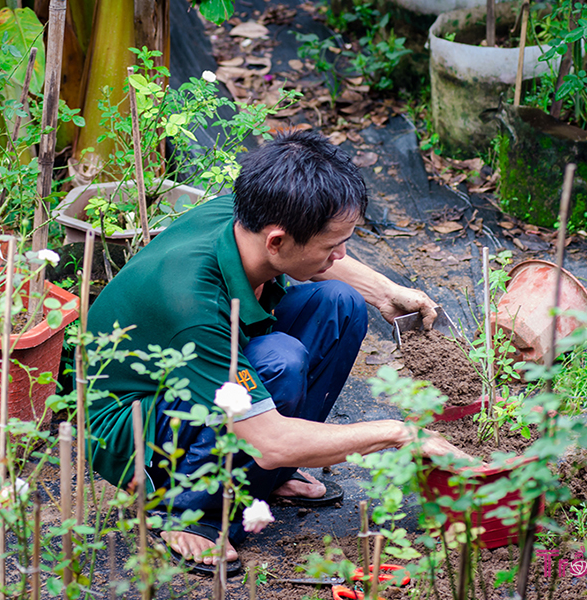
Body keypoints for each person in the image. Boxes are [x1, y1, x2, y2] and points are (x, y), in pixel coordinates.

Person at [86, 130, 471, 574]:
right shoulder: (190, 301)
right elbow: (271, 440)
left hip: (202, 371)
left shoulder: (247, 214)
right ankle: (193, 513)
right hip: (137, 428)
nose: (341, 254)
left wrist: (384, 291)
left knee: (341, 303)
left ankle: (264, 478)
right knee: (279, 364)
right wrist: (401, 433)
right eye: (332, 246)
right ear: (277, 242)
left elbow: (319, 256)